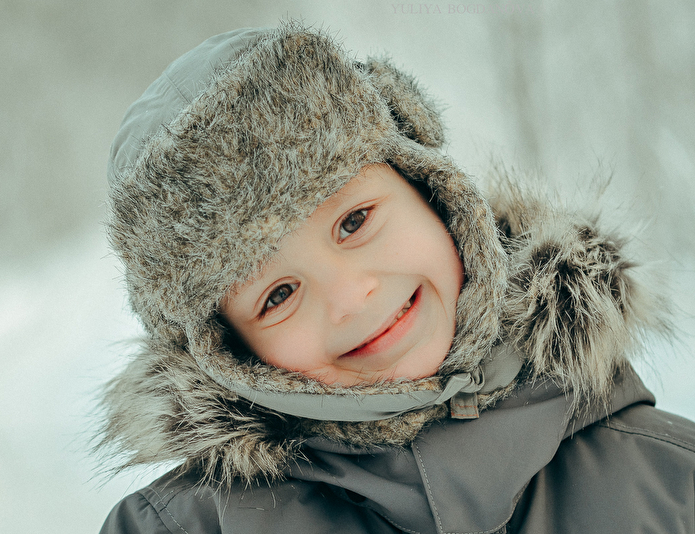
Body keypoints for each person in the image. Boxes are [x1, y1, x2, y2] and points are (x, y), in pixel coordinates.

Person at [97, 22, 695, 534]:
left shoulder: (671, 484)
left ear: (434, 194)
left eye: (354, 222)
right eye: (278, 295)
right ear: (228, 352)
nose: (351, 297)